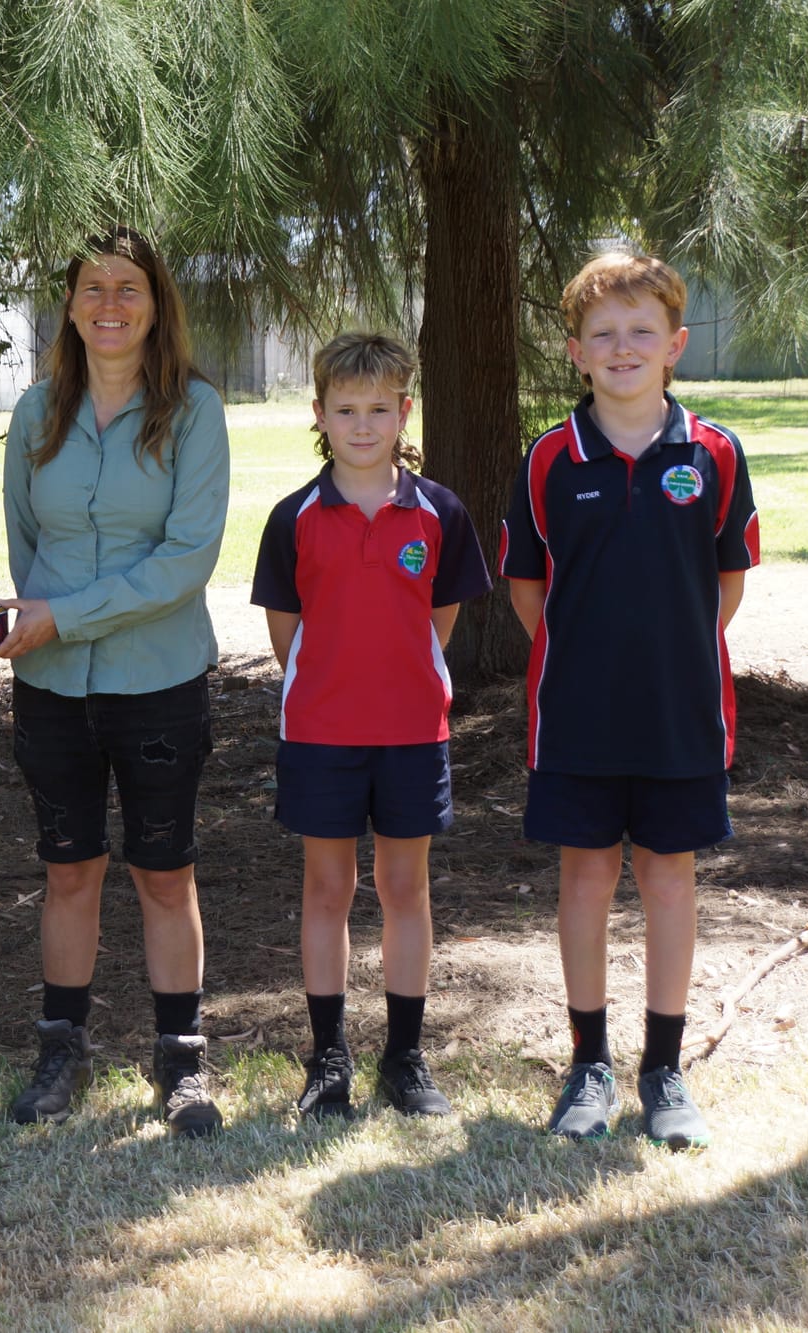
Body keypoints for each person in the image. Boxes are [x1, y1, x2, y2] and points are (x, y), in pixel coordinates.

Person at [500, 251, 759, 1149]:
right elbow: (531, 596)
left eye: (641, 331)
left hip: (681, 711)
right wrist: (591, 656)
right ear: (575, 352)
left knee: (669, 877)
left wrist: (667, 651)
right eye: (603, 334)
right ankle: (589, 1063)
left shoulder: (715, 453)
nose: (623, 347)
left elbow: (726, 586)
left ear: (675, 345)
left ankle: (664, 1068)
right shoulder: (547, 460)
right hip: (576, 713)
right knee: (584, 875)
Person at [0, 226, 230, 1137]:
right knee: (67, 872)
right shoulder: (35, 411)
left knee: (164, 874)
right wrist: (38, 622)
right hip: (52, 687)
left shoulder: (194, 410)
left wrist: (64, 614)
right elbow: (25, 542)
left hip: (158, 680)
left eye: (127, 287)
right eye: (92, 287)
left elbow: (186, 560)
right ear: (71, 304)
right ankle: (62, 1054)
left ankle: (182, 1063)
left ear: (156, 302)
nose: (109, 305)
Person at [250, 333, 490, 1122]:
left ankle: (405, 1056)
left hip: (412, 732)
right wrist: (331, 686)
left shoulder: (440, 512)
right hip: (321, 733)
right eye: (346, 409)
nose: (363, 424)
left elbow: (440, 622)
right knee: (328, 887)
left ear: (403, 411)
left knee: (403, 888)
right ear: (319, 414)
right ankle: (328, 1060)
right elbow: (287, 633)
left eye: (379, 408)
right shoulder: (293, 520)